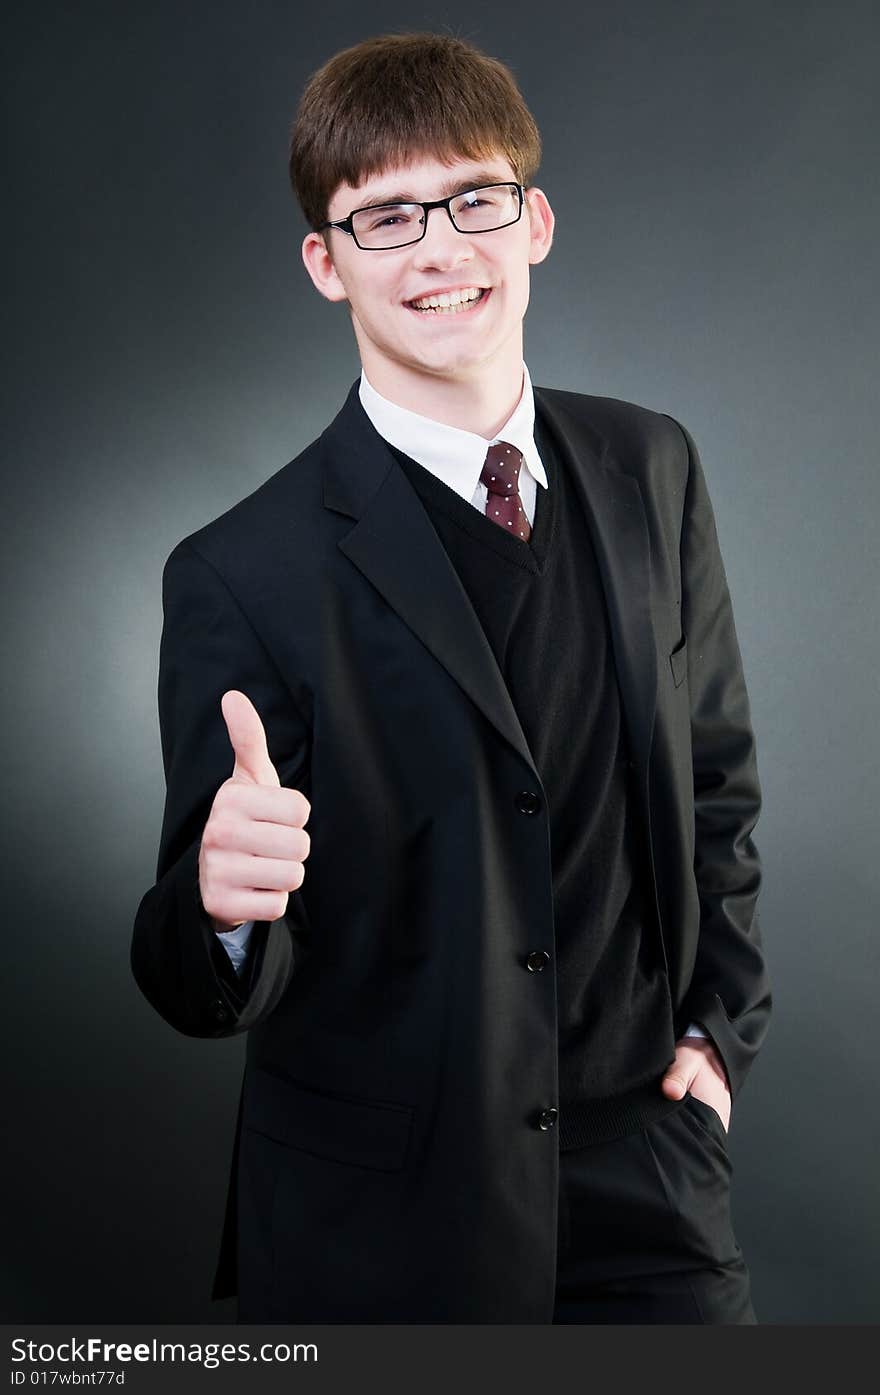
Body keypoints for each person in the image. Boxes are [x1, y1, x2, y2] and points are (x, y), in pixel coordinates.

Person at [131, 32, 771, 1324]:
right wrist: (221, 903)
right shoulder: (237, 571)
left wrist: (720, 1036)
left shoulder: (655, 466)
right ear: (326, 262)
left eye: (473, 199)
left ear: (532, 222)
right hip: (381, 1220)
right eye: (384, 217)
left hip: (648, 1173)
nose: (438, 249)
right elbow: (188, 970)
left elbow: (717, 789)